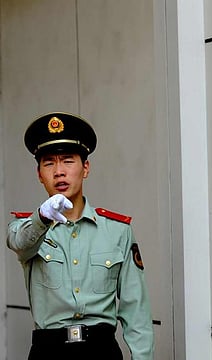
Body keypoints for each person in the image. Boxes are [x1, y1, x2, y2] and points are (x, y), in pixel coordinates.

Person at [6, 112, 154, 359]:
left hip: (101, 349)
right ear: (39, 173)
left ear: (85, 168)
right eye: (49, 163)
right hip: (48, 351)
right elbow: (20, 243)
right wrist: (43, 217)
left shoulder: (117, 230)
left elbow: (135, 312)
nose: (59, 172)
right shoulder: (26, 228)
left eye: (67, 161)